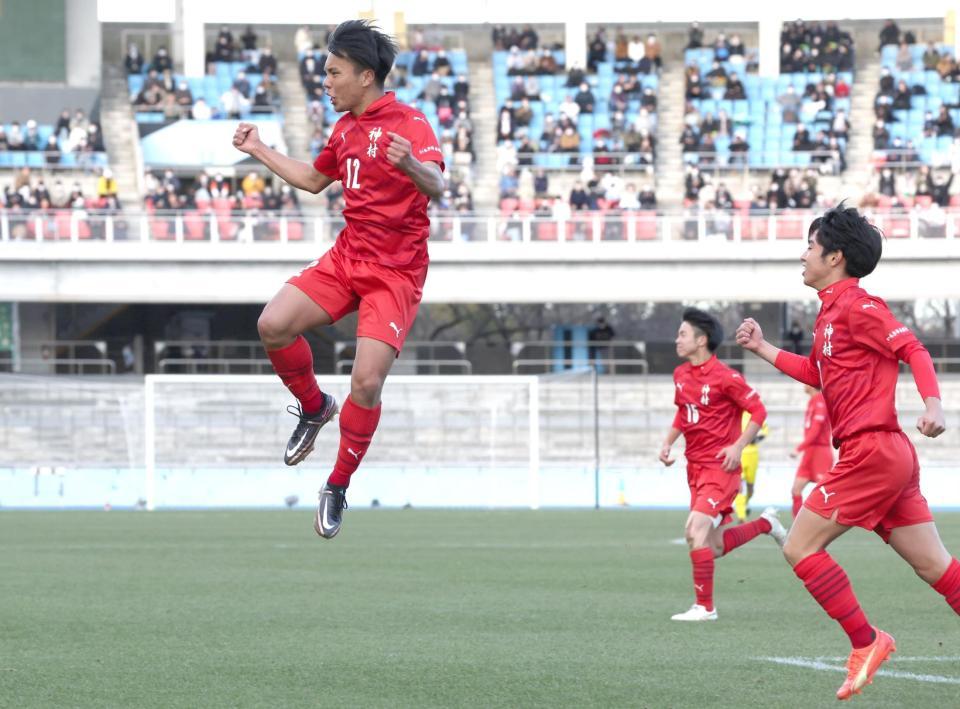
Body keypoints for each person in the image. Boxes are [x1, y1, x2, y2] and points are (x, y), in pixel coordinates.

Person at [735, 204, 960, 701]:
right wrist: (763, 348)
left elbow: (915, 350)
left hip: (873, 452)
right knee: (935, 567)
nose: (803, 255)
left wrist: (935, 405)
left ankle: (867, 640)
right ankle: (867, 640)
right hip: (886, 455)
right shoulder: (831, 314)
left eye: (810, 247)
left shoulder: (860, 306)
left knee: (799, 546)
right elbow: (818, 373)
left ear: (834, 257)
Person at [232, 20, 445, 540]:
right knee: (273, 324)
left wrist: (412, 165)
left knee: (368, 382)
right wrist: (258, 149)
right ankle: (313, 407)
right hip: (348, 258)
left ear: (365, 76)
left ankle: (337, 484)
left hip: (395, 273)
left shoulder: (409, 123)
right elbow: (311, 179)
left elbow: (437, 182)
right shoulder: (345, 128)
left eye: (333, 73)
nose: (325, 83)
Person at [660, 308, 786, 622]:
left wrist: (738, 446)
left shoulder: (726, 377)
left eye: (683, 334)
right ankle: (766, 525)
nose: (677, 339)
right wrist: (667, 442)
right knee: (710, 545)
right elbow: (682, 413)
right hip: (695, 469)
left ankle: (705, 607)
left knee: (695, 529)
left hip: (721, 468)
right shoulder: (680, 376)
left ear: (701, 341)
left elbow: (758, 411)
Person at [790, 385, 833, 518]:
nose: (803, 384)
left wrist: (799, 448)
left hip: (820, 451)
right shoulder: (812, 401)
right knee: (796, 490)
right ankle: (798, 528)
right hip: (810, 451)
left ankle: (828, 524)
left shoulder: (820, 401)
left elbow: (815, 431)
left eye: (805, 382)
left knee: (824, 493)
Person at [732, 410, 769, 523]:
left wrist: (755, 438)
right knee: (739, 486)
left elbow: (765, 431)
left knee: (750, 488)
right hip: (739, 453)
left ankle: (745, 503)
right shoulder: (734, 414)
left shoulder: (754, 414)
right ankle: (741, 516)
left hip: (753, 455)